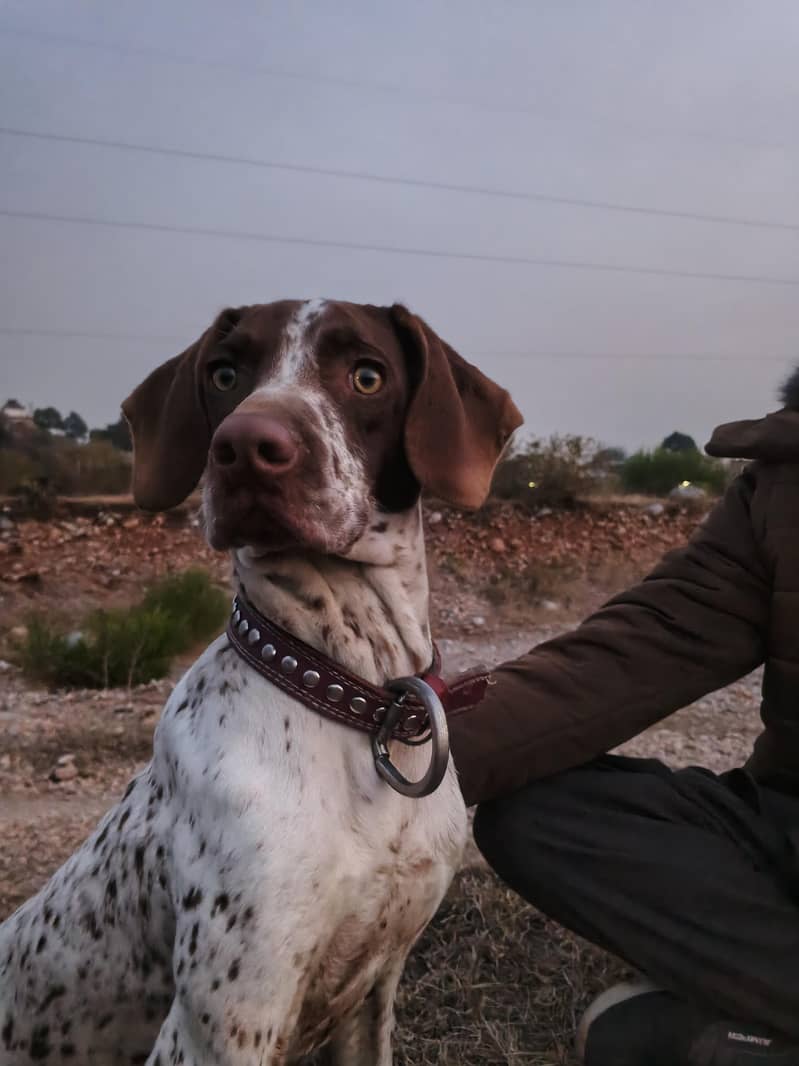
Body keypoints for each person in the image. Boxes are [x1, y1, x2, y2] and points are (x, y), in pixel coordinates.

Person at [449, 373, 799, 1066]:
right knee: (539, 814)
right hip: (786, 820)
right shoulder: (784, 483)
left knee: (632, 1036)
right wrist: (387, 754)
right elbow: (641, 644)